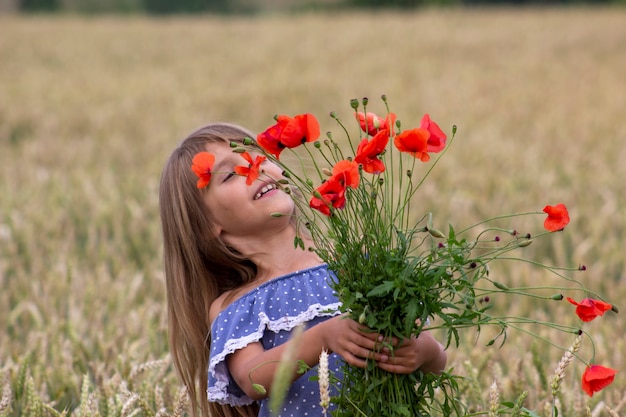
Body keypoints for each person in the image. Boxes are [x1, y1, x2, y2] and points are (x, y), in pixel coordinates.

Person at [159, 123, 448, 417]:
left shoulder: (356, 262)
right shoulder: (237, 305)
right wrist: (321, 339)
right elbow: (252, 380)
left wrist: (425, 351)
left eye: (259, 157)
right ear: (205, 224)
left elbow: (432, 354)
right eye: (232, 173)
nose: (255, 168)